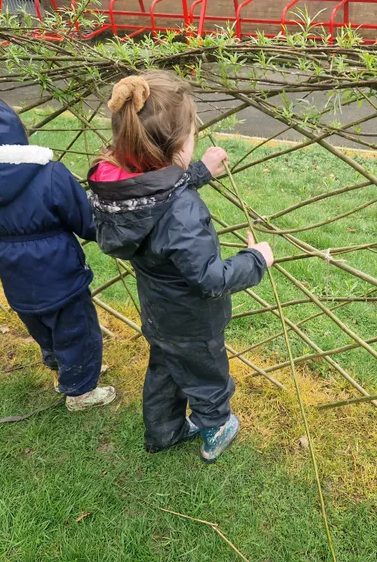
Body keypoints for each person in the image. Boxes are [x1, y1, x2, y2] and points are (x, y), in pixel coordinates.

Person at [87, 72, 273, 463]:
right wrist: (256, 259)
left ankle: (163, 430)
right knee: (207, 376)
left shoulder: (119, 194)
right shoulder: (182, 210)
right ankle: (216, 428)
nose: (195, 139)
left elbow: (157, 193)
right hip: (193, 321)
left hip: (157, 312)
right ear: (176, 146)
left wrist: (200, 171)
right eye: (191, 135)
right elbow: (210, 279)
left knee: (166, 369)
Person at [0, 91, 115, 412]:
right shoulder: (50, 173)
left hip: (13, 266)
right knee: (76, 327)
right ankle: (81, 392)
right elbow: (85, 220)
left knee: (41, 323)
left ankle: (64, 370)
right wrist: (111, 230)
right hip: (56, 266)